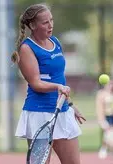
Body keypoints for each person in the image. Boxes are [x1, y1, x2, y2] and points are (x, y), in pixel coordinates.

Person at [13, 3, 85, 164]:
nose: (50, 25)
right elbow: (35, 83)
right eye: (45, 22)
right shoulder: (26, 49)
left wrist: (70, 105)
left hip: (62, 111)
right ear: (32, 25)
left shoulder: (55, 41)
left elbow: (58, 77)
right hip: (39, 114)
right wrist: (57, 87)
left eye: (51, 20)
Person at [96, 80, 113, 159]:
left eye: (112, 84)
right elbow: (99, 107)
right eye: (110, 84)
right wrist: (101, 119)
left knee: (111, 134)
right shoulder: (101, 94)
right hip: (107, 117)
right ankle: (112, 151)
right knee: (110, 133)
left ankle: (107, 149)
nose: (111, 86)